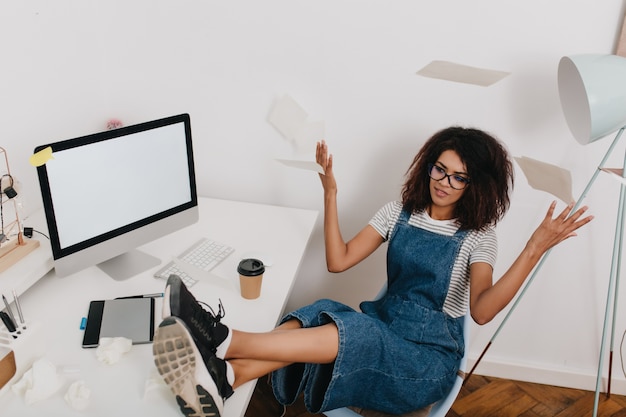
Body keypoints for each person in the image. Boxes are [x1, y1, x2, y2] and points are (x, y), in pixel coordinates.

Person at [151, 126, 593, 417]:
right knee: (318, 309)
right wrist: (331, 193)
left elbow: (480, 311)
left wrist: (535, 247)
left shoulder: (479, 236)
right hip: (384, 326)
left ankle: (225, 340)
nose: (444, 181)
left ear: (475, 186)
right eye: (441, 169)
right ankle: (228, 379)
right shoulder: (399, 211)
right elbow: (338, 260)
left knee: (355, 332)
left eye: (459, 177)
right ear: (429, 166)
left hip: (424, 360)